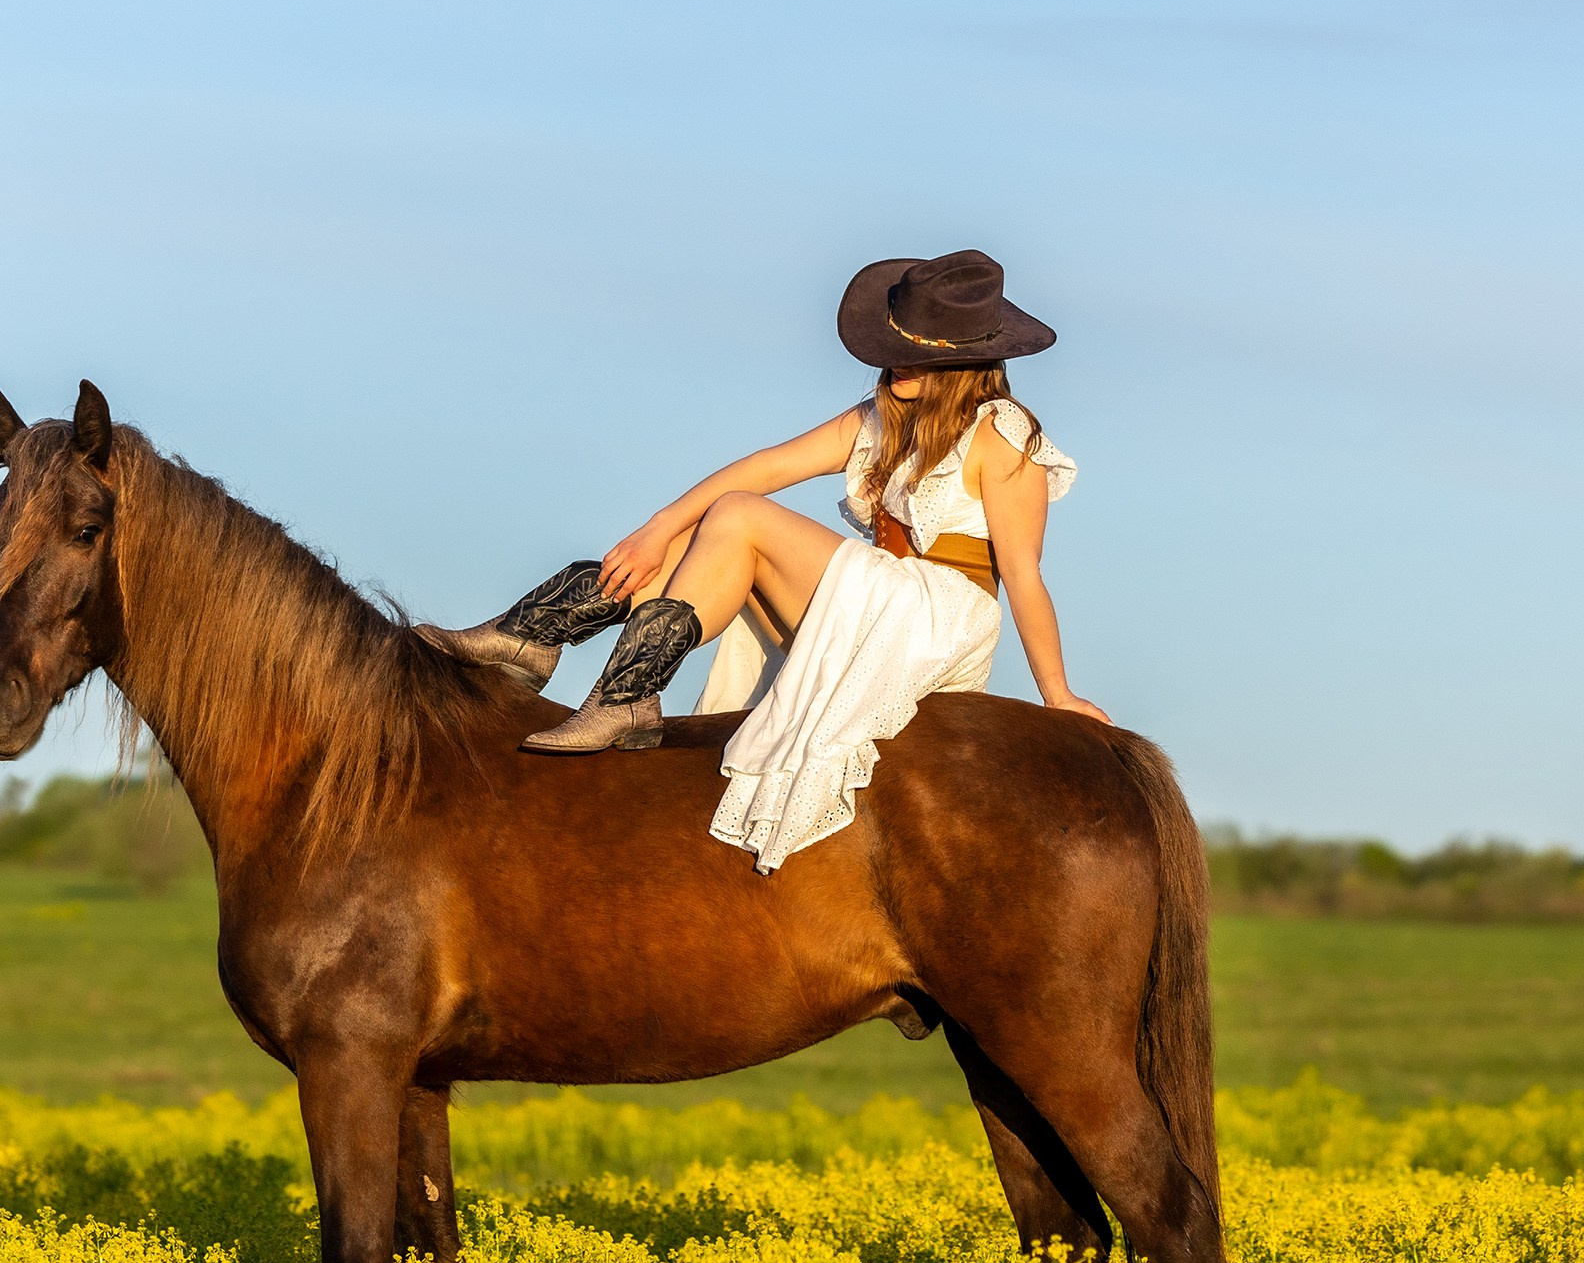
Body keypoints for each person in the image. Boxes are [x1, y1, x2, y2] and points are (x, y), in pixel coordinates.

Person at [417, 249, 1103, 871]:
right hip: (874, 600)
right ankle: (535, 634)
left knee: (739, 518)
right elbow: (765, 465)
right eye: (896, 348)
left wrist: (1058, 693)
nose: (899, 363)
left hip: (936, 618)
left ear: (962, 361)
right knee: (698, 536)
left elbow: (1023, 573)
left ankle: (628, 694)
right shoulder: (880, 418)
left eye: (918, 354)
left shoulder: (1004, 434)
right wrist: (656, 528)